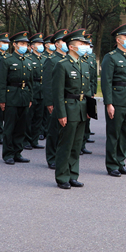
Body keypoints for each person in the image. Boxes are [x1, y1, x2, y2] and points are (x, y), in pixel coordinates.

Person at [51, 29, 93, 189]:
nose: (84, 46)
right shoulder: (62, 65)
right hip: (69, 109)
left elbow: (88, 89)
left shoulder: (84, 64)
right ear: (71, 47)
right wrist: (61, 113)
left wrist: (90, 110)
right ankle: (62, 177)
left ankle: (73, 175)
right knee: (66, 144)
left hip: (82, 108)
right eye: (81, 44)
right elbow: (58, 93)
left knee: (76, 145)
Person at [100, 23, 126, 177]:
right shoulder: (111, 57)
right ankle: (112, 165)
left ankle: (121, 162)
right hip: (116, 100)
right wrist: (109, 103)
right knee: (114, 133)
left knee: (125, 133)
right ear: (118, 39)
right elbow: (106, 82)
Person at [0, 31, 34, 165]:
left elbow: (30, 82)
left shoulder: (28, 61)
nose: (24, 46)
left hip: (24, 97)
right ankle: (8, 154)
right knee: (10, 127)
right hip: (11, 97)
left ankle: (18, 152)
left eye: (26, 44)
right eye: (21, 43)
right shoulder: (7, 60)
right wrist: (1, 100)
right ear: (15, 45)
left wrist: (30, 98)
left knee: (21, 127)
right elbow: (1, 82)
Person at [43, 29, 69, 169]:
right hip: (55, 101)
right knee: (54, 131)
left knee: (65, 132)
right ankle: (52, 157)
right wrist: (49, 102)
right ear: (57, 44)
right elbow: (47, 83)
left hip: (67, 100)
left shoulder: (69, 59)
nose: (66, 44)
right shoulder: (51, 60)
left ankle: (62, 156)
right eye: (63, 41)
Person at [24, 32, 46, 150]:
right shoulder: (28, 58)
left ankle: (34, 140)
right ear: (32, 46)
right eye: (38, 44)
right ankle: (26, 140)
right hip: (32, 89)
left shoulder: (45, 59)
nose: (41, 46)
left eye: (41, 44)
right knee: (29, 117)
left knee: (39, 117)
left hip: (42, 90)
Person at [80, 32, 97, 155]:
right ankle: (78, 144)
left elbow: (93, 77)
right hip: (80, 92)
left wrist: (93, 91)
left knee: (88, 117)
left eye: (89, 45)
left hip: (89, 91)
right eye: (85, 44)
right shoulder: (78, 58)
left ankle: (84, 143)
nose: (88, 47)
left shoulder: (91, 59)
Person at [39, 36, 57, 141]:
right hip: (41, 88)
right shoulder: (46, 58)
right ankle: (41, 131)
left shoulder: (54, 57)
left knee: (47, 115)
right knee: (41, 113)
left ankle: (45, 130)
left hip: (52, 89)